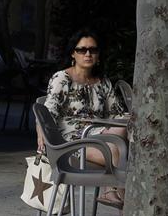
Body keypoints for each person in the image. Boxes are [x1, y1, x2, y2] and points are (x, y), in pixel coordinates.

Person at [40, 29, 132, 206]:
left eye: (93, 50)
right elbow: (47, 114)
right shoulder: (62, 78)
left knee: (125, 132)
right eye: (82, 50)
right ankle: (124, 207)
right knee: (120, 151)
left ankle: (117, 200)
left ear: (98, 55)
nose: (88, 54)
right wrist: (40, 135)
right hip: (71, 141)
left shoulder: (102, 82)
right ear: (73, 54)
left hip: (99, 136)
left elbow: (117, 114)